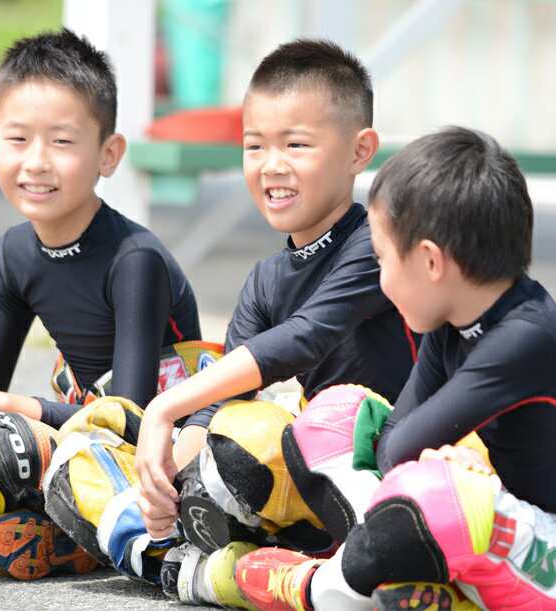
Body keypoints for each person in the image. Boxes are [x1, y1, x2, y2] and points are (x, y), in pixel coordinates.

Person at [109, 38, 420, 604]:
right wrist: (160, 483)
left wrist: (164, 407)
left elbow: (305, 338)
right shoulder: (264, 280)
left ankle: (273, 571)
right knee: (141, 479)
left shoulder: (378, 242)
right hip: (318, 487)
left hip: (405, 466)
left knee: (311, 420)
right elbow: (215, 411)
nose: (272, 165)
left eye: (297, 144)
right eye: (255, 146)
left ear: (359, 150)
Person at [235, 127, 556, 610]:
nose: (381, 283)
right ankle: (409, 582)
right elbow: (393, 445)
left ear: (429, 261)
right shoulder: (451, 322)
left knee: (440, 498)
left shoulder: (526, 335)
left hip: (542, 544)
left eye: (383, 260)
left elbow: (406, 448)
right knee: (333, 417)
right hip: (489, 528)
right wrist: (446, 459)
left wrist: (451, 467)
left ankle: (316, 588)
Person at [0, 29, 212, 580]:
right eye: (18, 140)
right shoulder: (14, 253)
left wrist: (14, 407)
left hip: (159, 450)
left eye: (62, 142)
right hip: (80, 428)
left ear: (108, 155)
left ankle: (72, 534)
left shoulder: (134, 259)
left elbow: (133, 418)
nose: (37, 162)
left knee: (34, 440)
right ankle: (50, 525)